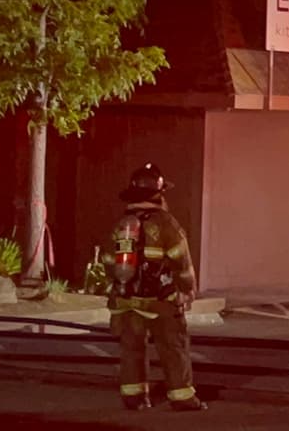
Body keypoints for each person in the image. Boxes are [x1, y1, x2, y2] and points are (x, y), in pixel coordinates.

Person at [102, 163, 205, 411]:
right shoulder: (166, 224)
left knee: (131, 350)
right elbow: (182, 262)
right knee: (173, 346)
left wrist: (118, 287)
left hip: (126, 298)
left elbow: (107, 261)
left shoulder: (121, 225)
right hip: (160, 300)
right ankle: (182, 398)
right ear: (159, 194)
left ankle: (134, 397)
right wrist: (188, 290)